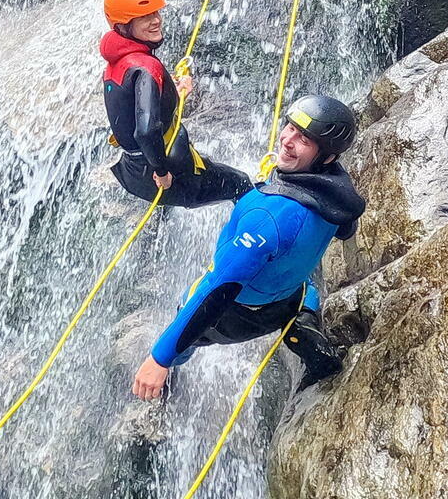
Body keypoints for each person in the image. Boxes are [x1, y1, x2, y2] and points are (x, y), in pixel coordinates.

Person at [131, 93, 365, 398]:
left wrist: (159, 358)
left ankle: (166, 377)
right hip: (288, 298)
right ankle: (304, 318)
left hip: (235, 317)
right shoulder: (340, 195)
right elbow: (346, 230)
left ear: (327, 156)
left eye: (304, 139)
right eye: (291, 127)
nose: (287, 140)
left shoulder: (266, 216)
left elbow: (217, 289)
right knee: (304, 282)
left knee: (188, 306)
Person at [101, 0, 251, 209]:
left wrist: (173, 91)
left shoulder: (116, 64)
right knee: (240, 183)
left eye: (155, 13)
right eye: (144, 17)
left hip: (134, 172)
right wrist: (162, 173)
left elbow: (130, 105)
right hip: (166, 175)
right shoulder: (146, 68)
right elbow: (146, 131)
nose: (156, 20)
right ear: (123, 26)